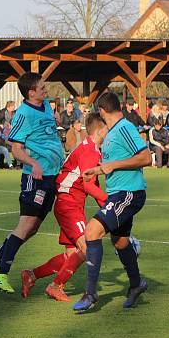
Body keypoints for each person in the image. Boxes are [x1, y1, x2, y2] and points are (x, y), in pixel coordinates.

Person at [0, 72, 65, 294]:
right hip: (34, 178)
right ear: (31, 92)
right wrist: (34, 163)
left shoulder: (45, 104)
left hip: (51, 176)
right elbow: (16, 149)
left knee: (32, 228)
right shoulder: (23, 114)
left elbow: (48, 131)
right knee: (25, 225)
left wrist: (55, 121)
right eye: (42, 87)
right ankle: (1, 273)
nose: (46, 89)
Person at [72, 92, 152, 313]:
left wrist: (113, 165)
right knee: (120, 242)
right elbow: (112, 165)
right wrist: (98, 169)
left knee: (92, 232)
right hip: (121, 192)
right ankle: (136, 285)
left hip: (128, 193)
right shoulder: (115, 131)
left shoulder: (124, 128)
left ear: (102, 111)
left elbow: (146, 158)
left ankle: (90, 293)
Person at [21, 113, 109, 301]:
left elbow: (93, 182)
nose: (110, 131)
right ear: (100, 130)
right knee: (87, 248)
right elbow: (87, 184)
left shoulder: (90, 148)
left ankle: (31, 275)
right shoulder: (90, 152)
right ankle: (55, 286)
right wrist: (109, 202)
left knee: (71, 254)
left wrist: (108, 209)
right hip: (69, 204)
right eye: (108, 127)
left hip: (68, 203)